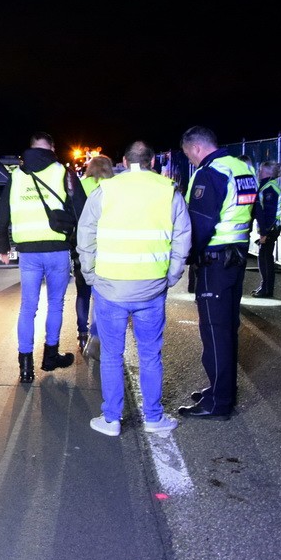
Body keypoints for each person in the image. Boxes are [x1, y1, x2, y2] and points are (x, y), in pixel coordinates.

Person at [77, 141, 191, 436]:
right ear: (152, 162)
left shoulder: (107, 190)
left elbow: (85, 232)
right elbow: (182, 238)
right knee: (150, 354)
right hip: (151, 287)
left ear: (124, 163)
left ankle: (111, 418)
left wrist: (90, 273)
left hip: (110, 287)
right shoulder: (168, 190)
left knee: (112, 355)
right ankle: (153, 417)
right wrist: (171, 275)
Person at [0, 131, 87, 382]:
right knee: (55, 304)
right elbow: (83, 210)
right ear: (52, 148)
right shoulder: (63, 173)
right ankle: (50, 357)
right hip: (57, 250)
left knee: (28, 308)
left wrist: (3, 248)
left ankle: (25, 367)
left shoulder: (16, 177)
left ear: (31, 148)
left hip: (28, 254)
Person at [178, 126, 257, 420]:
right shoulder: (241, 168)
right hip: (235, 258)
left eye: (188, 154)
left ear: (196, 148)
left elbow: (200, 223)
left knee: (215, 332)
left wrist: (187, 258)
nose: (191, 159)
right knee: (227, 329)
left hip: (214, 261)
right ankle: (221, 390)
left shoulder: (209, 173)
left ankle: (218, 402)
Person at [74, 155, 114, 352]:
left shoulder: (81, 185)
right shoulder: (113, 187)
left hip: (83, 245)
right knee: (102, 295)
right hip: (106, 247)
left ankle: (82, 333)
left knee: (83, 293)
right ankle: (98, 336)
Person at [252, 160, 281, 298]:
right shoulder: (267, 186)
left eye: (261, 170)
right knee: (264, 257)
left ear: (269, 173)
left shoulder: (269, 188)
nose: (259, 173)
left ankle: (267, 289)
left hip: (270, 228)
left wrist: (265, 233)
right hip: (270, 228)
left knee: (265, 259)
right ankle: (265, 287)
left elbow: (269, 213)